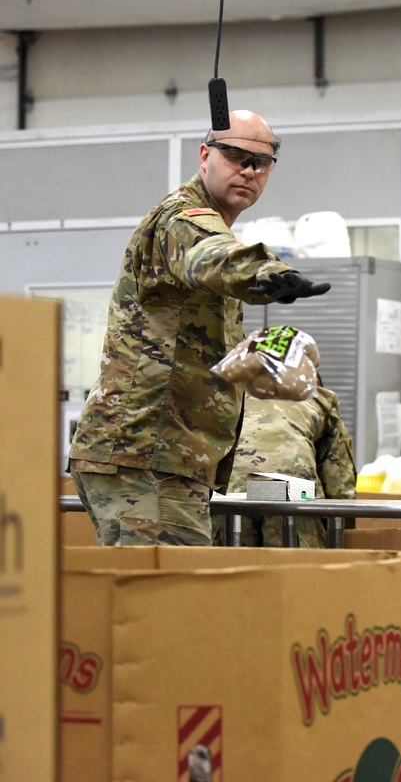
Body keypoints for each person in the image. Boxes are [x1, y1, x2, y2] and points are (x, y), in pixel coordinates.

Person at [69, 110, 331, 547]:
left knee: (159, 603)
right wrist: (264, 273)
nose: (247, 170)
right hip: (146, 455)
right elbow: (210, 254)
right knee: (168, 603)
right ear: (205, 154)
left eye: (260, 163)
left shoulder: (208, 223)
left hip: (162, 455)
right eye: (234, 155)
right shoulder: (182, 219)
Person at [213, 383, 357, 547]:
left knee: (230, 568)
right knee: (293, 569)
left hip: (231, 493)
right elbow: (339, 483)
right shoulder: (321, 400)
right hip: (292, 491)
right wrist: (344, 534)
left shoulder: (226, 395)